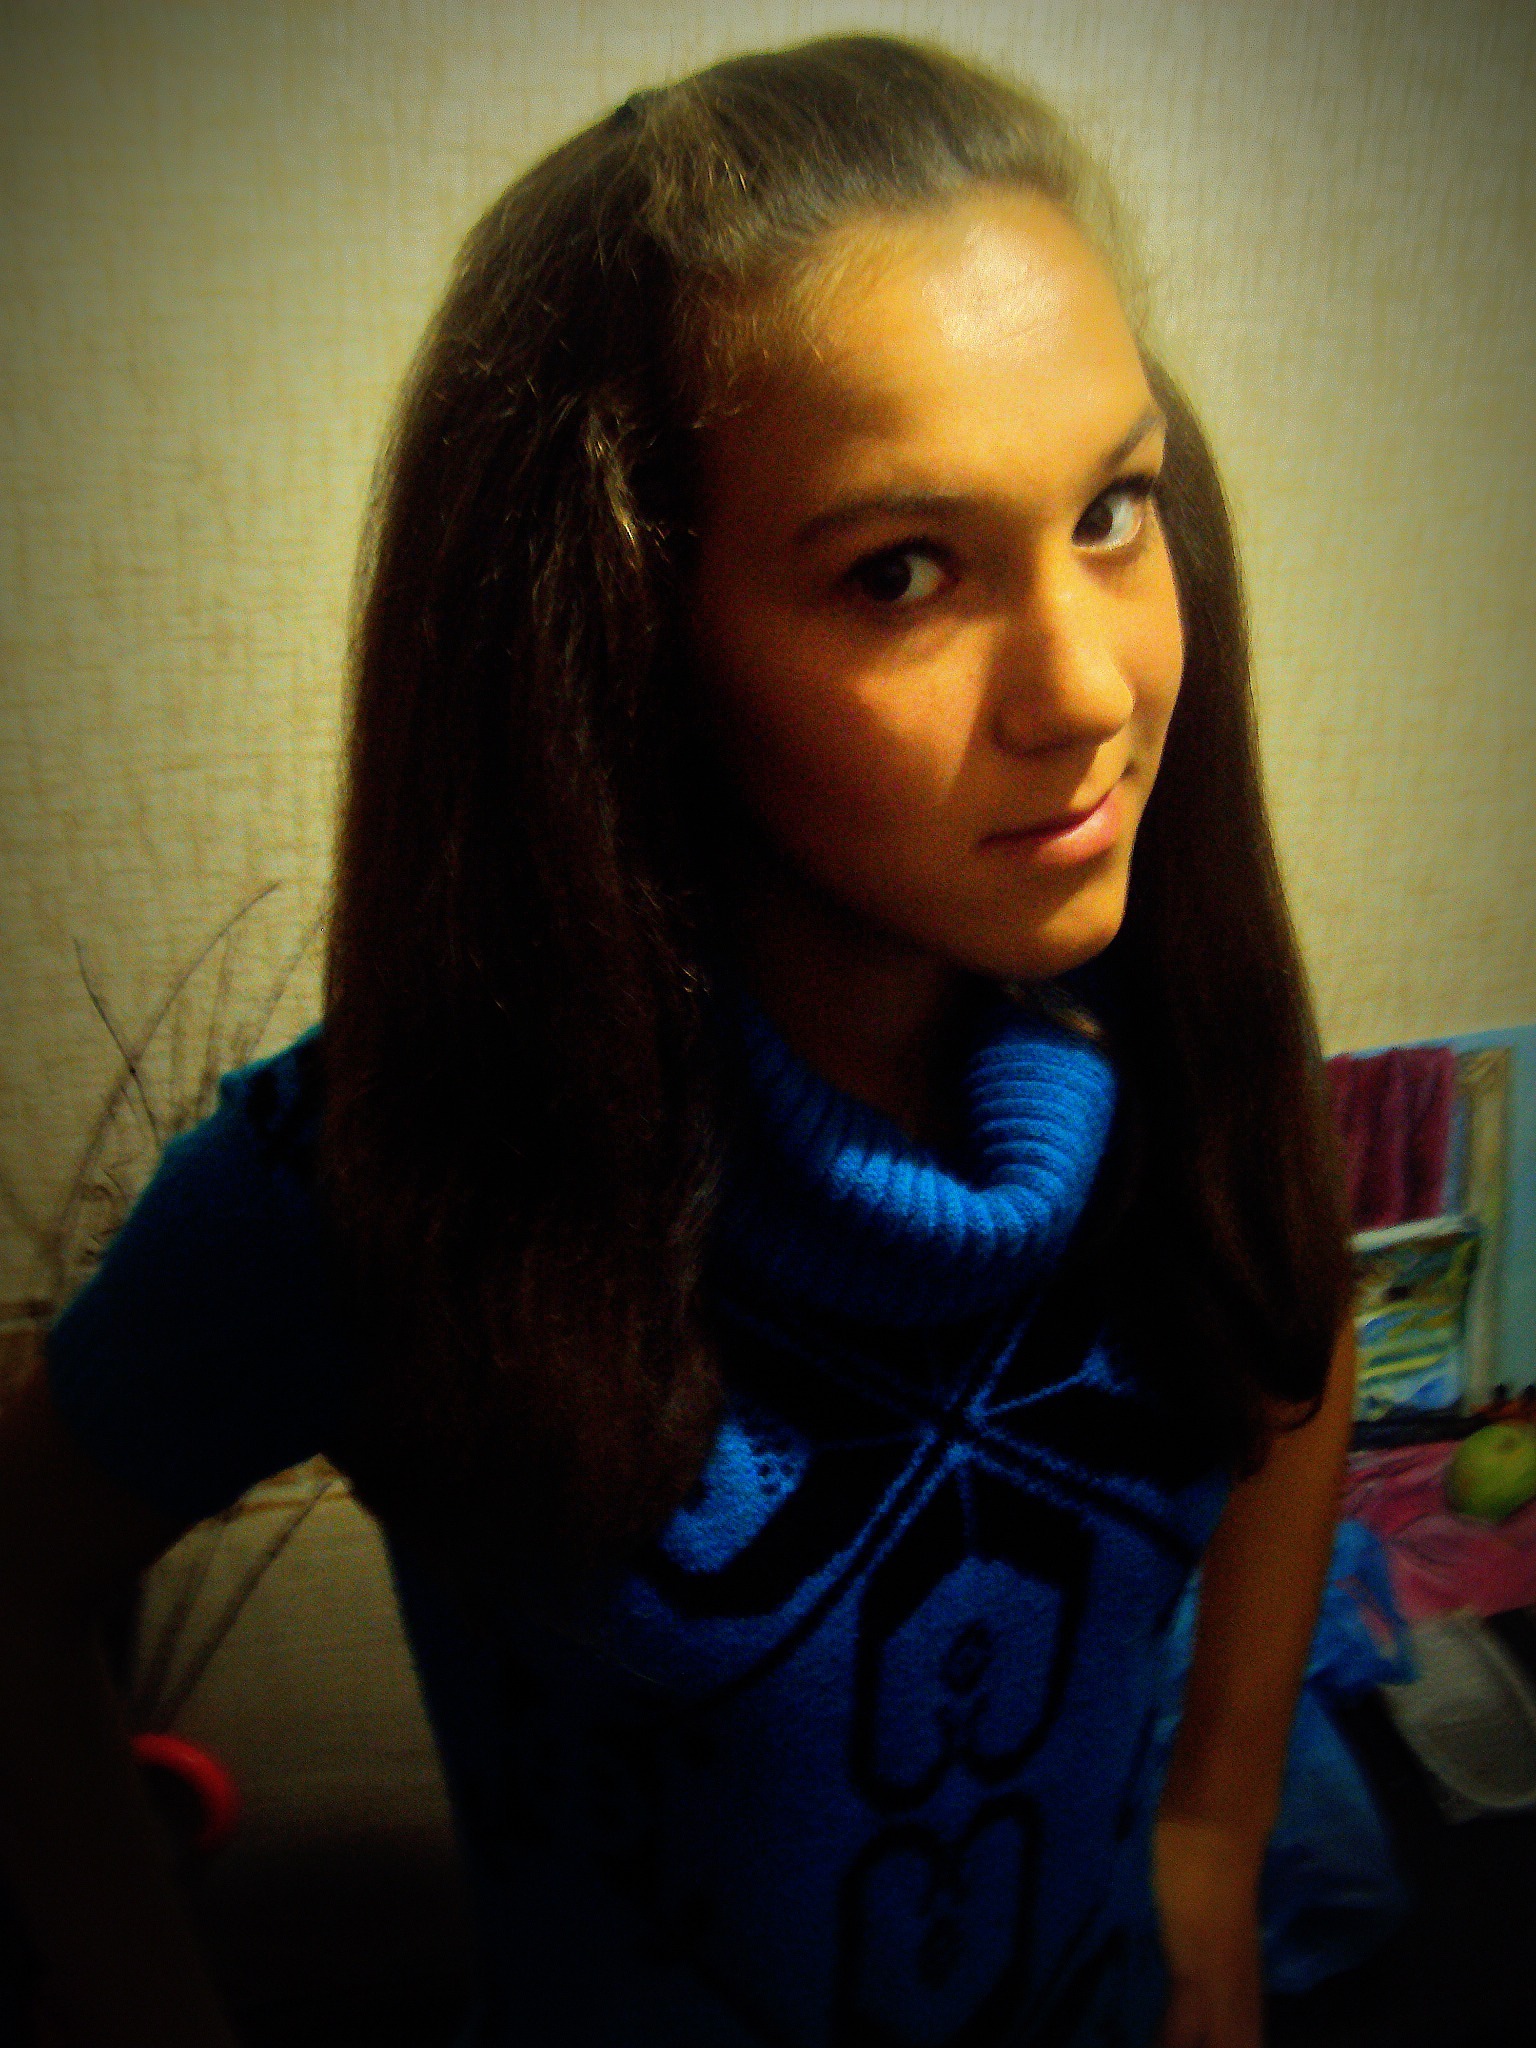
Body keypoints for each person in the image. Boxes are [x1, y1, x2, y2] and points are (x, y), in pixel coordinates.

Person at [0, 33, 1357, 2048]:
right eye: (903, 572)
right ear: (624, 633)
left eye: (1112, 508)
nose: (1085, 689)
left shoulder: (1170, 1049)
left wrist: (1214, 1840)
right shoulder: (389, 1173)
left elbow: (1292, 1322)